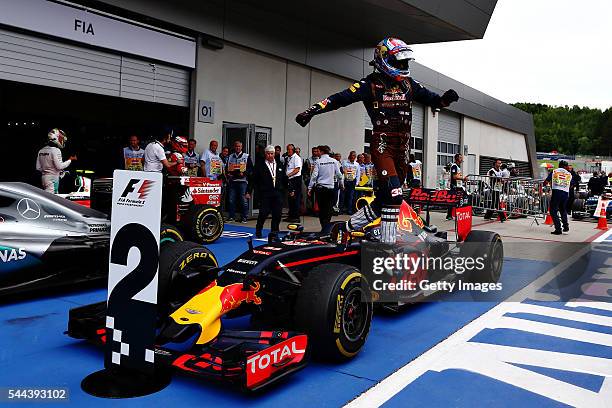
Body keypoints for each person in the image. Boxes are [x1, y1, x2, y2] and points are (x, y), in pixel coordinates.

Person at [296, 37, 458, 236]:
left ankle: (346, 227)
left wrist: (445, 100)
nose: (403, 65)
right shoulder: (370, 84)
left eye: (404, 61)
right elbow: (339, 99)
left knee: (386, 196)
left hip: (404, 146)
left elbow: (435, 100)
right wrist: (311, 111)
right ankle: (388, 244)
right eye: (398, 61)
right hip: (383, 145)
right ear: (384, 59)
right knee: (394, 194)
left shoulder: (409, 84)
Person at [250, 145, 284, 238]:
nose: (270, 155)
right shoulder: (259, 165)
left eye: (272, 154)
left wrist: (290, 189)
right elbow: (253, 179)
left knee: (277, 214)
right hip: (265, 193)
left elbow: (284, 178)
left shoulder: (280, 164)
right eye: (268, 154)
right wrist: (249, 191)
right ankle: (258, 229)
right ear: (265, 154)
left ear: (274, 154)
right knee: (263, 213)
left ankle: (274, 232)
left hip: (277, 192)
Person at [308, 145, 344, 228]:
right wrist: (341, 184)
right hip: (331, 189)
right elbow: (339, 175)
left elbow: (314, 176)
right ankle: (327, 226)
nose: (317, 153)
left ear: (322, 152)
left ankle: (323, 225)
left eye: (318, 151)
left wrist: (310, 188)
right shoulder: (334, 161)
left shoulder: (318, 162)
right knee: (329, 208)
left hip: (320, 189)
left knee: (321, 209)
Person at [36, 128, 77, 193]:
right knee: (51, 199)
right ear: (57, 138)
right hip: (53, 179)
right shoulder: (56, 150)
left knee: (48, 197)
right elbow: (59, 166)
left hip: (44, 178)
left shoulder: (41, 150)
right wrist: (70, 160)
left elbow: (38, 167)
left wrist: (50, 172)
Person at [226, 140, 253, 223]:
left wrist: (244, 173)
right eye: (236, 146)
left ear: (242, 147)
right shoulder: (230, 156)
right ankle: (231, 217)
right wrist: (228, 174)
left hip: (242, 181)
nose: (238, 148)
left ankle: (244, 217)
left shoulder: (246, 156)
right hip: (233, 181)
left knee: (243, 200)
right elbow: (227, 168)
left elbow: (251, 169)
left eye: (239, 146)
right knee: (231, 200)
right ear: (234, 147)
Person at [545, 160, 571, 235]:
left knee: (553, 211)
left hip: (556, 193)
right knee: (563, 210)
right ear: (565, 166)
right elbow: (572, 183)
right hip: (565, 194)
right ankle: (566, 226)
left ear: (559, 165)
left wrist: (546, 184)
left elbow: (546, 181)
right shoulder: (569, 174)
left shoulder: (554, 171)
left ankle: (558, 229)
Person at [446, 154, 469, 220]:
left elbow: (458, 176)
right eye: (460, 158)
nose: (462, 159)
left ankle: (456, 214)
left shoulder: (458, 167)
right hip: (454, 186)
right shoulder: (454, 166)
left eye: (462, 158)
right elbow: (454, 177)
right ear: (457, 158)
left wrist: (462, 180)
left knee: (459, 200)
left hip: (459, 186)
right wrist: (463, 178)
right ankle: (450, 215)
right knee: (453, 200)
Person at [284, 144, 303, 222]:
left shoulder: (296, 158)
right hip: (290, 180)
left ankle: (296, 217)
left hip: (295, 179)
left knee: (295, 198)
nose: (288, 151)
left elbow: (297, 169)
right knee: (290, 199)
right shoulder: (288, 158)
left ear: (293, 150)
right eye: (287, 149)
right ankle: (291, 216)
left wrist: (288, 175)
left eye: (289, 150)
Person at [342, 151, 361, 215]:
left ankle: (349, 210)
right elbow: (342, 172)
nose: (353, 157)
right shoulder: (344, 163)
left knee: (351, 196)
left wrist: (357, 182)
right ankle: (342, 209)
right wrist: (342, 182)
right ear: (349, 156)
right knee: (343, 196)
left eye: (354, 156)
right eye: (352, 155)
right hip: (345, 181)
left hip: (352, 182)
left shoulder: (357, 164)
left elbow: (358, 174)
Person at [303, 146, 321, 214]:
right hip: (310, 181)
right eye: (313, 151)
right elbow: (304, 171)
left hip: (318, 182)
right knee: (309, 196)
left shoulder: (321, 160)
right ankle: (309, 210)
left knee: (318, 197)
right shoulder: (308, 160)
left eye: (316, 151)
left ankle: (316, 210)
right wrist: (306, 180)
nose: (315, 153)